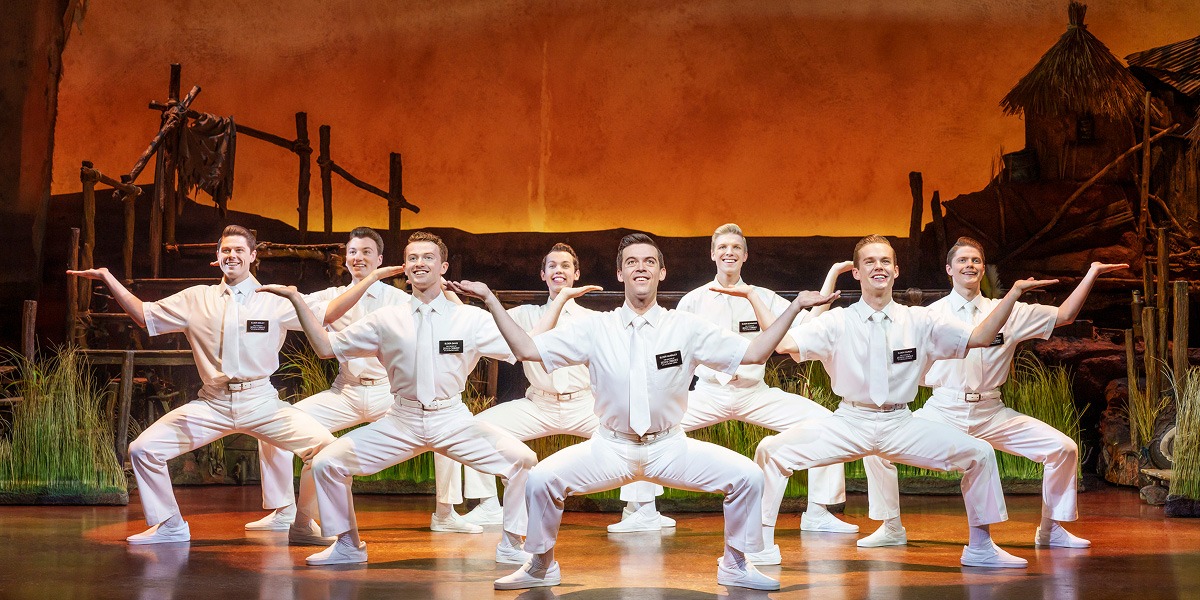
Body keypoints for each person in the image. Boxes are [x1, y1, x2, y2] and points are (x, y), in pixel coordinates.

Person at [449, 233, 839, 591]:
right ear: (620, 273)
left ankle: (735, 564)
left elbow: (753, 353)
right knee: (539, 482)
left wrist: (796, 308)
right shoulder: (596, 328)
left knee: (749, 478)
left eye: (649, 261)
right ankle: (541, 566)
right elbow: (527, 350)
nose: (641, 267)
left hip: (669, 447)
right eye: (632, 261)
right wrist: (490, 299)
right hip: (610, 447)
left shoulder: (685, 327)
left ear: (661, 272)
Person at [755, 234, 1056, 568]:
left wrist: (1012, 294)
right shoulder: (837, 321)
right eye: (869, 261)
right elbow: (782, 345)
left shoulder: (920, 320)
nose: (878, 267)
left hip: (900, 422)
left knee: (979, 453)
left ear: (896, 271)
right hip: (849, 422)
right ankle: (759, 546)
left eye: (885, 261)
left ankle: (981, 548)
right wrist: (796, 305)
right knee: (771, 451)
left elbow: (980, 338)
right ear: (856, 272)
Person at [260, 231, 537, 566]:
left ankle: (511, 544)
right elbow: (325, 347)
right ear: (404, 269)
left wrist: (491, 301)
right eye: (412, 258)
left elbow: (521, 350)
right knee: (326, 463)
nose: (420, 263)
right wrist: (296, 299)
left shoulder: (469, 319)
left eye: (428, 257)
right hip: (401, 420)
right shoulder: (385, 320)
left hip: (451, 419)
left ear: (443, 266)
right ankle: (348, 545)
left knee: (522, 460)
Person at [67, 225, 336, 545]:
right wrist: (108, 277)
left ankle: (300, 522)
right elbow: (144, 315)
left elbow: (328, 311)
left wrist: (369, 283)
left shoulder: (276, 300)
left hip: (262, 402)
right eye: (226, 250)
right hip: (213, 403)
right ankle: (169, 524)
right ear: (217, 258)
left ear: (252, 256)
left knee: (326, 448)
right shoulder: (198, 298)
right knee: (143, 450)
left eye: (239, 250)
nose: (232, 255)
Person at [859, 237, 1126, 550]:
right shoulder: (931, 315)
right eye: (962, 261)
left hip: (992, 412)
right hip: (944, 410)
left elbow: (1064, 315)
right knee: (876, 450)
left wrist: (1092, 272)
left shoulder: (1008, 310)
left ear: (982, 268)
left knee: (1063, 449)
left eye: (975, 261)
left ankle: (1051, 530)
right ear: (949, 269)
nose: (969, 265)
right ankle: (891, 527)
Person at [614, 224, 860, 559]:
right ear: (713, 254)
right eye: (722, 247)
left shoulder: (762, 296)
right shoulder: (694, 300)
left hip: (754, 393)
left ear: (744, 255)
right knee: (645, 420)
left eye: (735, 247)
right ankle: (642, 509)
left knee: (824, 421)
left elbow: (805, 325)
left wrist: (831, 276)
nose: (729, 252)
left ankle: (819, 511)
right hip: (709, 393)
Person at [432, 243, 668, 531]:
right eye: (552, 266)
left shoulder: (593, 320)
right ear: (543, 274)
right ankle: (487, 505)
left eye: (566, 265)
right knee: (473, 430)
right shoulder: (524, 315)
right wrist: (446, 292)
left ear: (576, 274)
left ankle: (641, 510)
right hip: (538, 404)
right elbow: (480, 323)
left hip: (584, 404)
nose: (559, 270)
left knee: (637, 427)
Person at [243, 227, 410, 544]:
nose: (358, 257)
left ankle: (447, 512)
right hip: (345, 391)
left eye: (365, 252)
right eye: (352, 251)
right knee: (274, 427)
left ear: (380, 259)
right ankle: (284, 510)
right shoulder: (331, 297)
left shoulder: (399, 300)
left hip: (387, 392)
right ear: (345, 258)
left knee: (440, 427)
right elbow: (297, 305)